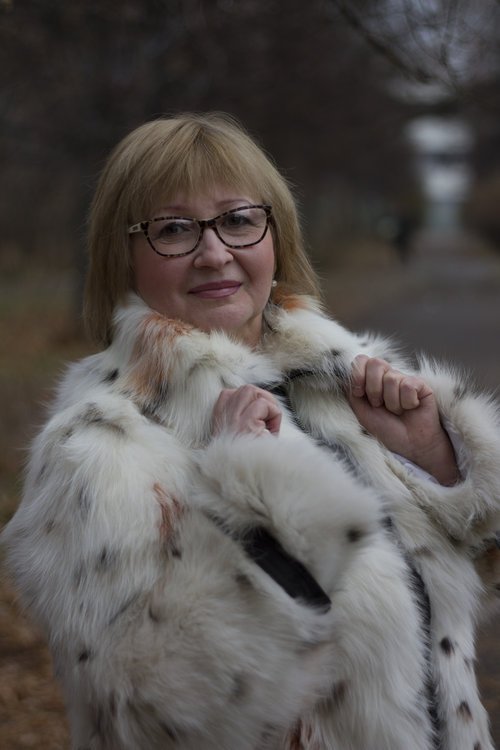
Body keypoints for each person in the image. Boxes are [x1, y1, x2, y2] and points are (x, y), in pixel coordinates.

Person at [2, 113, 500, 750]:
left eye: (238, 220)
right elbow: (143, 717)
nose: (215, 253)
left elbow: (461, 597)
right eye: (173, 230)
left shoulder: (349, 381)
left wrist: (439, 461)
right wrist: (248, 500)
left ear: (275, 234)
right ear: (122, 257)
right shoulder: (98, 444)